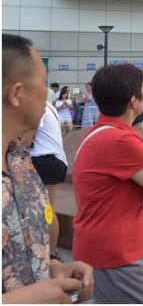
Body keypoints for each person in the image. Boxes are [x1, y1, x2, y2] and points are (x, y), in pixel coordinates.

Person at [72, 63, 143, 304]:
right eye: (142, 90)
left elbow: (123, 167)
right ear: (134, 101)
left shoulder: (100, 132)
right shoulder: (121, 140)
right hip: (115, 252)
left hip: (99, 244)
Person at [2, 33, 94, 303]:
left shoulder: (22, 162)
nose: (48, 92)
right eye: (43, 82)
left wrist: (55, 269)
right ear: (17, 93)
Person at [20, 102, 68, 258]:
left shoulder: (36, 105)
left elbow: (25, 142)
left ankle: (52, 254)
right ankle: (48, 251)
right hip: (48, 160)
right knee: (44, 208)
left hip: (46, 160)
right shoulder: (45, 105)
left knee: (46, 209)